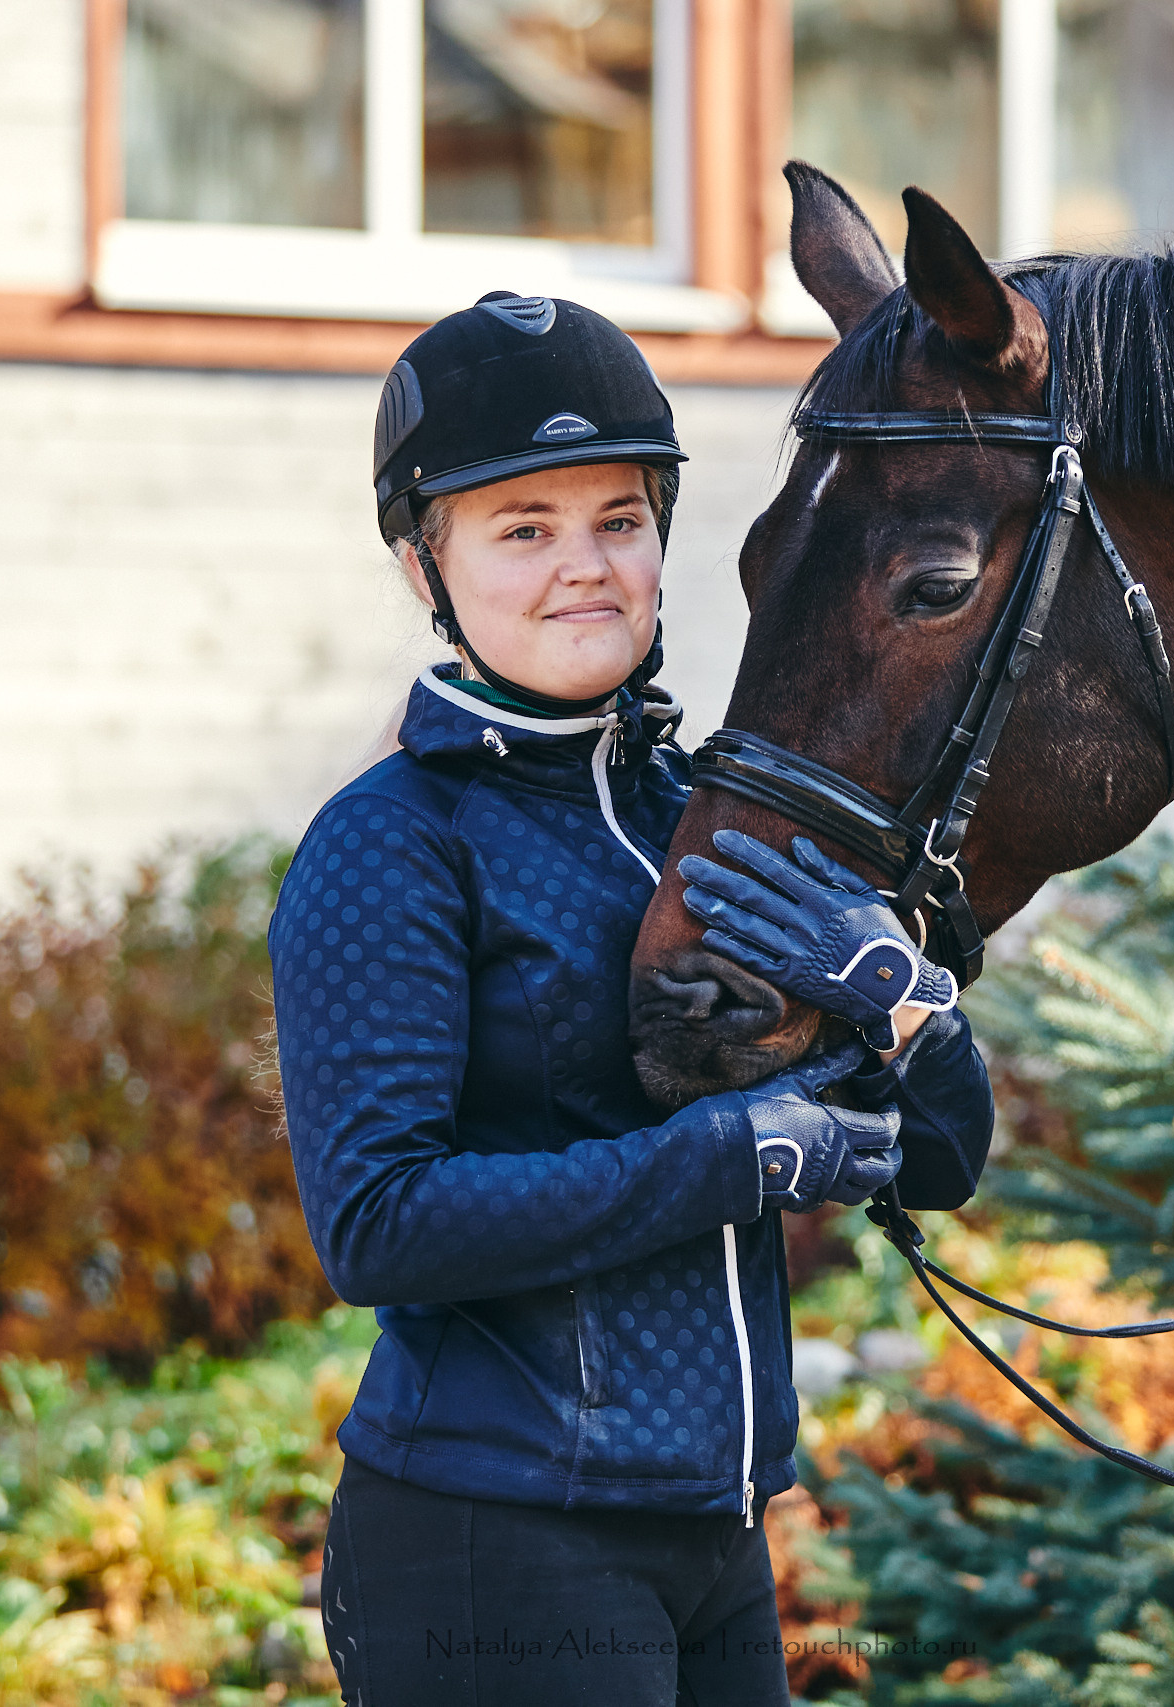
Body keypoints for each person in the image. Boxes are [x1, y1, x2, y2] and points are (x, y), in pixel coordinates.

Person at [267, 291, 995, 1707]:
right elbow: (376, 1225)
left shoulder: (703, 822)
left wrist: (908, 1005)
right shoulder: (392, 842)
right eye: (522, 528)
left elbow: (943, 1165)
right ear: (429, 565)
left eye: (618, 519)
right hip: (494, 1540)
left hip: (714, 1538)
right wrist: (726, 1159)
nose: (583, 567)